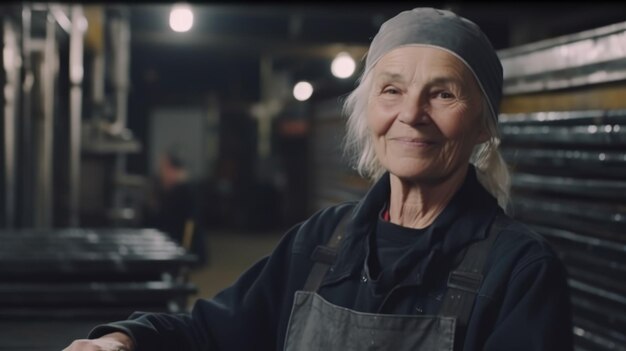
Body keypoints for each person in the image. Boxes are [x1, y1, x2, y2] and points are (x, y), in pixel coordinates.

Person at [64, 7, 573, 351]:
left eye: (443, 94)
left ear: (483, 122)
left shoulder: (521, 273)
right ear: (367, 109)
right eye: (391, 90)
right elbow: (214, 333)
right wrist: (125, 339)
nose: (412, 114)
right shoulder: (321, 242)